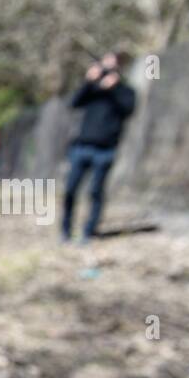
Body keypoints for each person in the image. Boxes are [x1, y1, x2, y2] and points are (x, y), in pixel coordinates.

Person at [62, 51, 136, 242]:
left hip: (105, 149)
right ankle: (65, 231)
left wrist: (113, 88)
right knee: (70, 189)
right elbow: (74, 102)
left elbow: (128, 110)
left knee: (95, 191)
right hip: (81, 147)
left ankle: (88, 231)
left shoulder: (125, 91)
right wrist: (89, 81)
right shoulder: (92, 91)